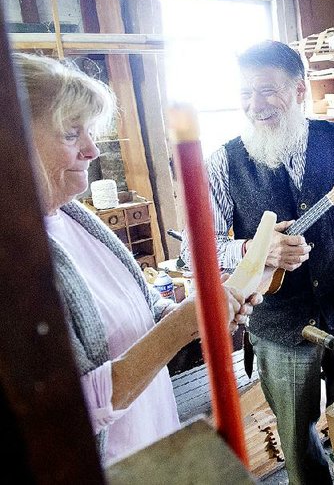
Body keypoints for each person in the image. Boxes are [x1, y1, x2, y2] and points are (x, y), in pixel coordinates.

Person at [15, 53, 256, 464]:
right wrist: (183, 326)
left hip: (154, 446)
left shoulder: (74, 217)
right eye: (72, 134)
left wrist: (197, 313)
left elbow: (143, 311)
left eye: (89, 132)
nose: (92, 150)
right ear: (11, 144)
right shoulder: (16, 262)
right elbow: (72, 410)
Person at [182, 40, 334, 484]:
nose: (255, 105)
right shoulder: (222, 162)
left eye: (267, 91)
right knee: (296, 440)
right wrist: (256, 250)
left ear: (299, 91)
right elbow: (194, 251)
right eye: (245, 94)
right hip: (277, 326)